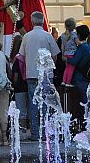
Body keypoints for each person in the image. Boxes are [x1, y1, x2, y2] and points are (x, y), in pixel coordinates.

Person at [19, 11, 60, 140]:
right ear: (42, 22)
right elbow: (55, 55)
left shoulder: (27, 36)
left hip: (31, 73)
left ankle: (35, 133)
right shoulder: (48, 36)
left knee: (33, 103)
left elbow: (22, 55)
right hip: (46, 74)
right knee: (47, 103)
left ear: (32, 22)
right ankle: (47, 132)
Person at [66, 25, 90, 104]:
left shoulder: (81, 47)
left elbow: (74, 61)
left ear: (78, 35)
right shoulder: (89, 46)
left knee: (81, 101)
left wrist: (66, 58)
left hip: (80, 76)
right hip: (88, 75)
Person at [59, 18, 80, 87]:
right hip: (72, 54)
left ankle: (64, 81)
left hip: (65, 54)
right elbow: (78, 43)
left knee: (67, 68)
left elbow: (62, 46)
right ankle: (68, 82)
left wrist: (63, 54)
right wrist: (83, 43)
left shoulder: (63, 35)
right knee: (71, 69)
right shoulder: (74, 34)